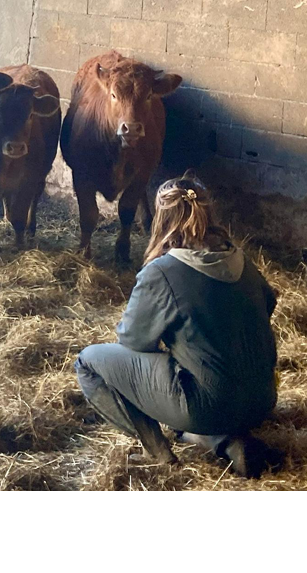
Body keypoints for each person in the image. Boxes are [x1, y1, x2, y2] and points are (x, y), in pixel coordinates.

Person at [75, 173, 279, 478]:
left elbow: (133, 341)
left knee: (88, 361)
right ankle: (226, 442)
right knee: (186, 372)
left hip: (210, 404)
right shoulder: (242, 260)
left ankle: (159, 452)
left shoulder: (163, 270)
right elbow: (269, 305)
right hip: (262, 399)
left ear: (162, 218)